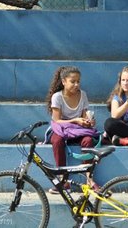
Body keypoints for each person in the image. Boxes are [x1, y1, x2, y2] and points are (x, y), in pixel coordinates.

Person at [45, 66, 100, 194]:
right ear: (64, 81)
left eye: (78, 81)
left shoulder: (83, 94)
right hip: (62, 129)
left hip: (77, 130)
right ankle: (63, 180)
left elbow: (85, 114)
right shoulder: (57, 97)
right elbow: (57, 120)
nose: (76, 84)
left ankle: (89, 179)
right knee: (57, 141)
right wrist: (75, 120)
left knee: (88, 140)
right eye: (73, 81)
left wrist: (89, 121)